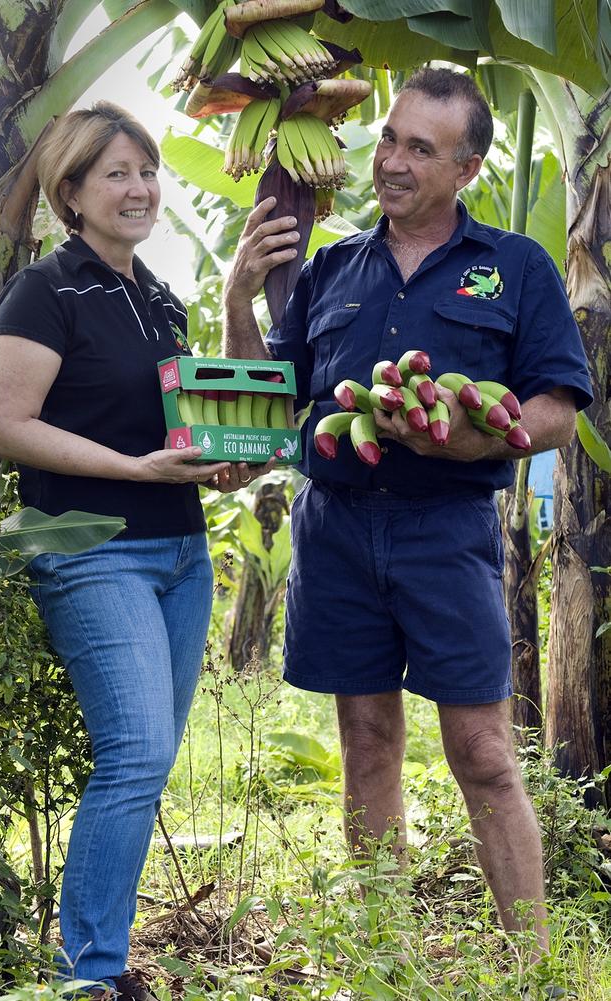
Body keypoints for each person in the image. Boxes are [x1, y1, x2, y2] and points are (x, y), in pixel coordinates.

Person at [222, 68, 593, 978]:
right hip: (337, 528)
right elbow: (265, 407)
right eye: (389, 139)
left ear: (466, 167)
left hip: (447, 531)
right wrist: (238, 298)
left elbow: (558, 406)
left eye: (419, 148)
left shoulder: (515, 266)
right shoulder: (333, 269)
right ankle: (383, 959)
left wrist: (475, 442)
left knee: (484, 752)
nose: (389, 161)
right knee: (368, 741)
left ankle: (532, 967)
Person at [0, 102, 270, 999]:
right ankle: (89, 978)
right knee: (136, 752)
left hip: (180, 558)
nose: (140, 187)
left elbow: (191, 427)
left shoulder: (159, 299)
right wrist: (135, 471)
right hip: (93, 552)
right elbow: (0, 425)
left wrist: (210, 462)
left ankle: (97, 962)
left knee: (147, 762)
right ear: (71, 192)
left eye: (147, 170)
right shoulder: (46, 289)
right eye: (116, 173)